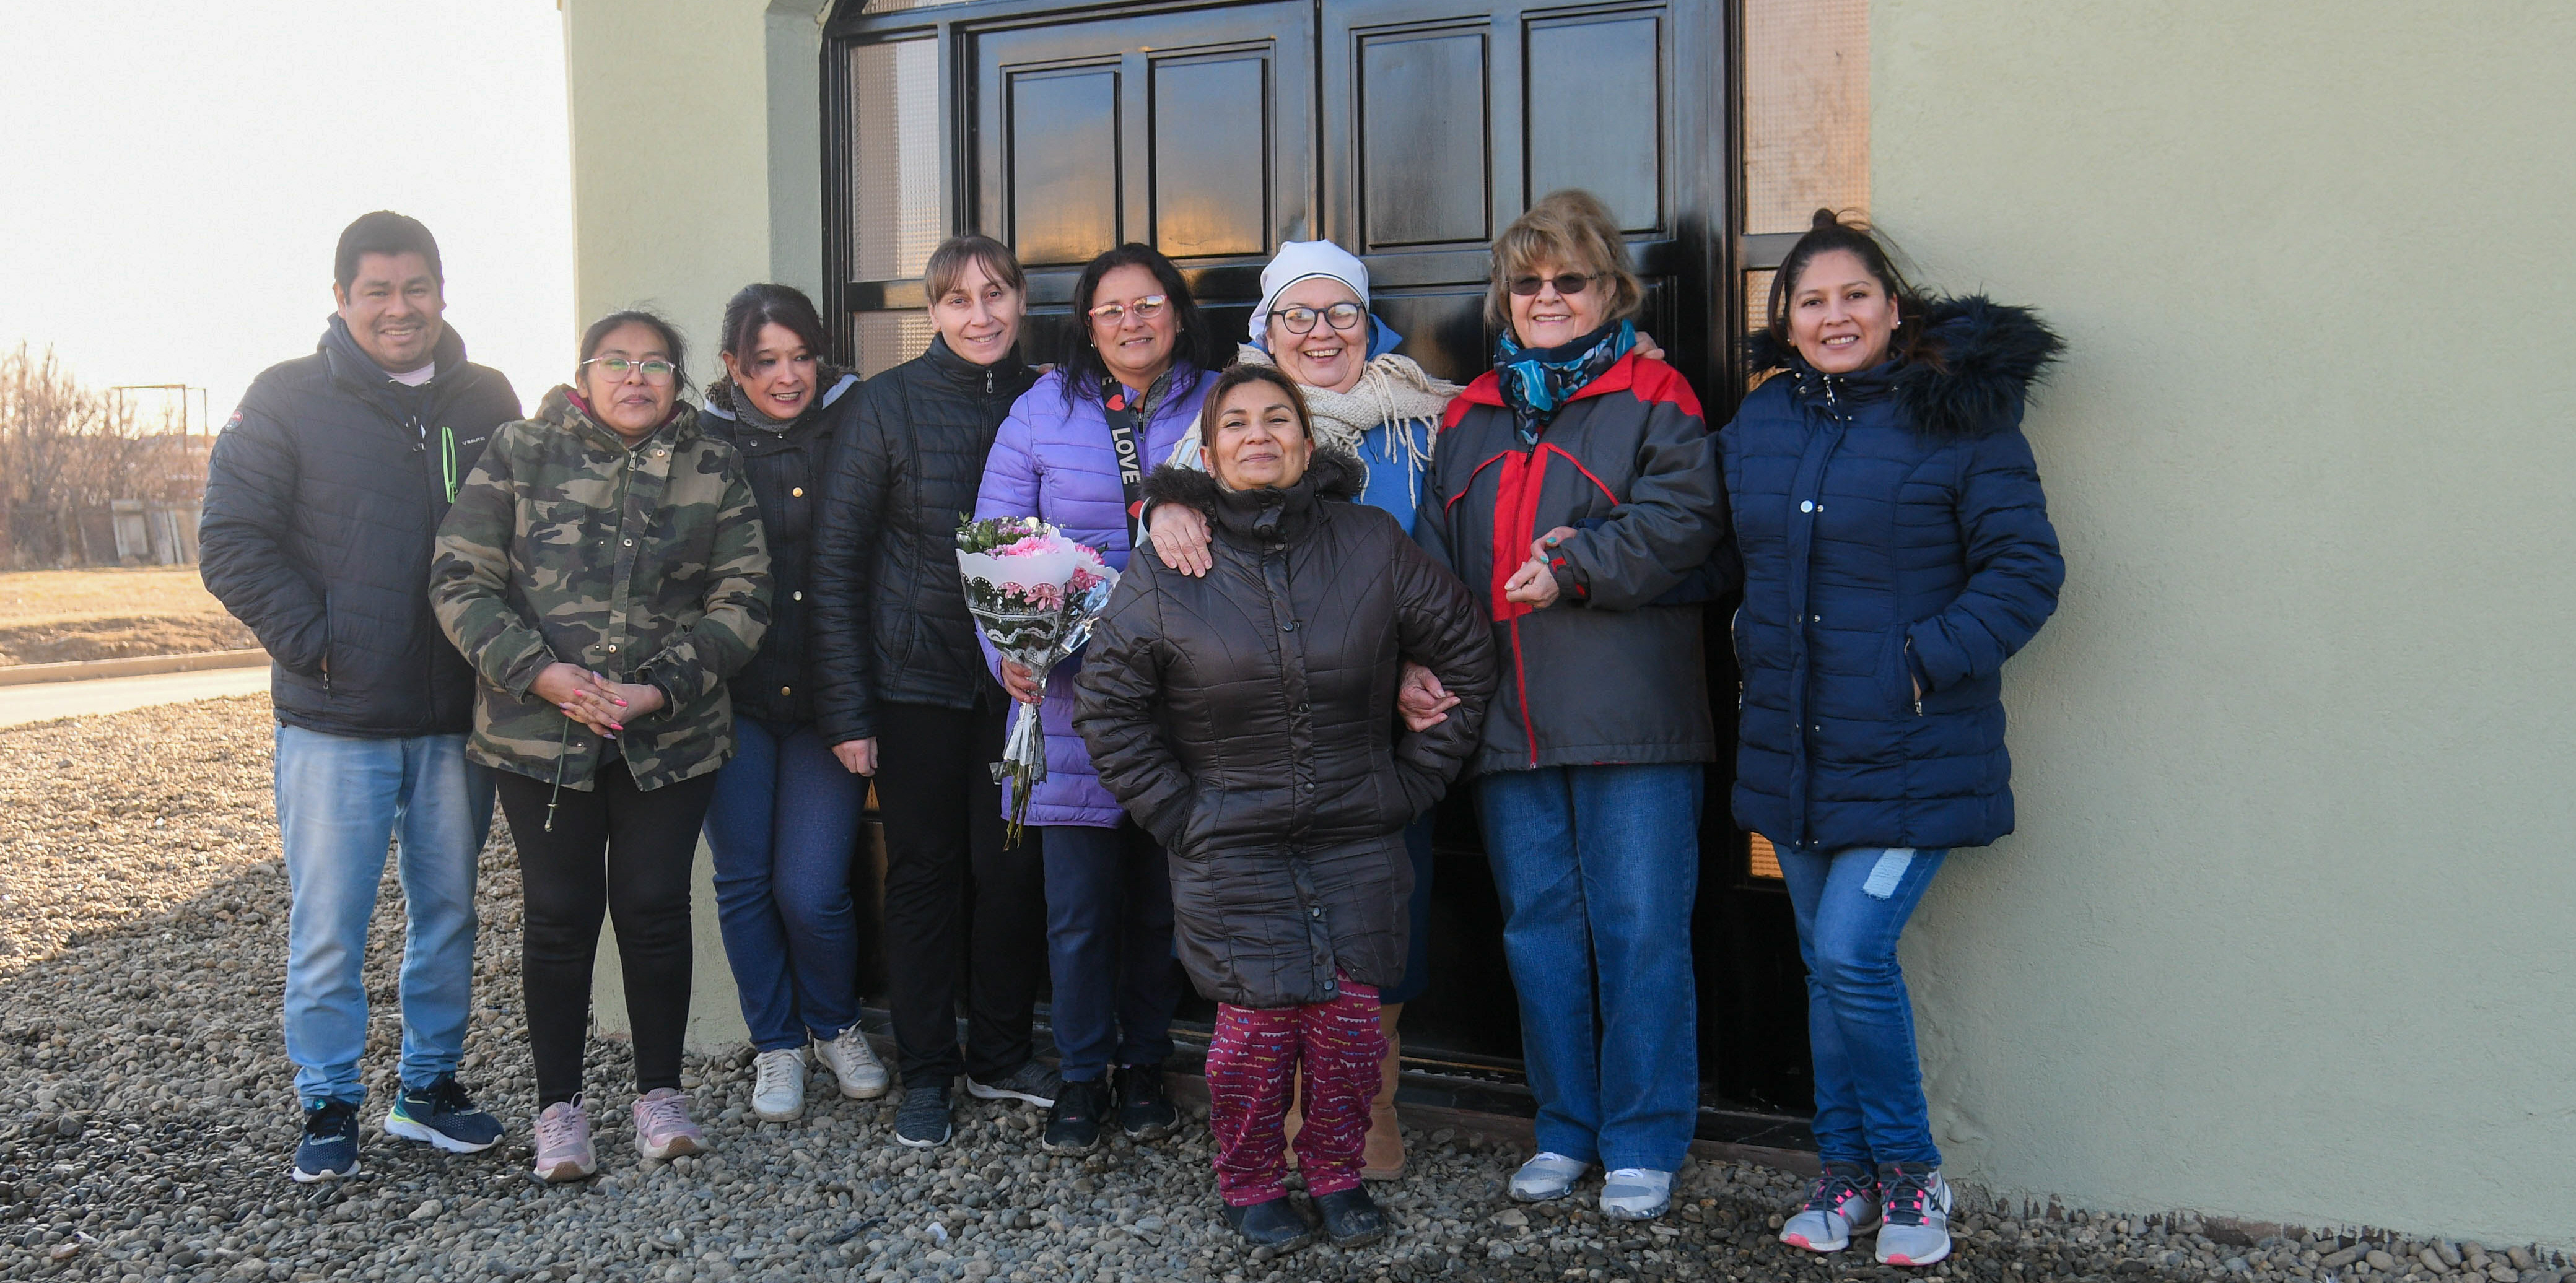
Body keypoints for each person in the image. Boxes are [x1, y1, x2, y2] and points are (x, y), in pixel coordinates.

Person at [1076, 365, 1496, 1251]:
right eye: (1237, 423)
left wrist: (1415, 782)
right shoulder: (1167, 569)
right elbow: (1109, 707)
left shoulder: (1372, 542)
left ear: (1309, 444)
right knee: (1254, 1040)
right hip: (1229, 844)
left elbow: (1463, 652)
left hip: (1358, 835)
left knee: (1348, 1033)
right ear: (1212, 449)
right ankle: (1253, 1180)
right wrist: (1181, 816)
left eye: (1279, 420)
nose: (1259, 435)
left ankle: (1338, 1173)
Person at [1730, 210, 2063, 1268]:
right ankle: (1845, 1178)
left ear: (1892, 308)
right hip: (1798, 747)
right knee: (1826, 969)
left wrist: (1914, 661)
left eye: (1854, 297)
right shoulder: (1764, 422)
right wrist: (1586, 555)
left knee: (1849, 955)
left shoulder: (1958, 419)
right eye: (1812, 301)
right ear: (1785, 322)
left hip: (1916, 750)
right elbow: (1700, 536)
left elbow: (2027, 571)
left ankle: (1914, 1180)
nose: (1835, 316)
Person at [1415, 189, 1729, 1220]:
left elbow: (1686, 523)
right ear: (1505, 298)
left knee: (1641, 929)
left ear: (1611, 290)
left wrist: (1580, 566)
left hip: (1633, 720)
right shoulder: (1467, 413)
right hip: (1505, 722)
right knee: (1539, 928)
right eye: (1527, 281)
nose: (1547, 297)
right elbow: (1430, 562)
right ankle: (1566, 1128)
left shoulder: (1657, 391)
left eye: (1569, 280)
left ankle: (1643, 1138)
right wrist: (1415, 660)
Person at [199, 211, 520, 1182]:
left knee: (449, 914)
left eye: (414, 287)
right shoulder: (288, 399)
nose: (397, 308)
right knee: (330, 922)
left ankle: (427, 1089)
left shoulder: (487, 398)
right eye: (375, 291)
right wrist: (320, 646)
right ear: (341, 299)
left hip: (455, 720)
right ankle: (328, 1101)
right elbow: (231, 541)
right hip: (334, 721)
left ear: (441, 292)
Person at [430, 310, 771, 1181]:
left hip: (671, 736)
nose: (636, 377)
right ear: (583, 376)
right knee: (556, 918)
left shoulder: (712, 466)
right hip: (540, 736)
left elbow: (744, 599)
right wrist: (539, 674)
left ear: (678, 380)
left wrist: (660, 685)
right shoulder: (521, 451)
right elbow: (461, 578)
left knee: (655, 910)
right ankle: (560, 1111)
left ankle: (660, 1097)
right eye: (616, 361)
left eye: (656, 363)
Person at [972, 241, 1223, 1154]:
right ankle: (1082, 1077)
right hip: (1070, 703)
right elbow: (1000, 539)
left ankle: (1146, 1065)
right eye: (1111, 308)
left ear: (1176, 311)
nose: (1131, 322)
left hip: (1188, 699)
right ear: (1086, 322)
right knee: (1075, 913)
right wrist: (1007, 650)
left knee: (1162, 906)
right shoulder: (1041, 410)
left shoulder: (1220, 400)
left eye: (1148, 303)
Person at [810, 235, 1057, 1149]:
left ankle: (998, 1054)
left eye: (996, 294)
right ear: (933, 313)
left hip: (1026, 689)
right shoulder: (886, 406)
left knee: (1013, 871)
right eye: (959, 300)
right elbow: (834, 564)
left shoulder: (1055, 397)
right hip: (915, 687)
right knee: (923, 878)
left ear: (1022, 301)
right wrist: (847, 709)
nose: (981, 315)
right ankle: (927, 1072)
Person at [696, 284, 890, 1124]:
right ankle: (776, 1045)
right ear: (731, 365)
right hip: (728, 701)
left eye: (801, 356)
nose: (787, 376)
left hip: (828, 700)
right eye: (766, 360)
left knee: (811, 888)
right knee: (743, 882)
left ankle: (835, 1025)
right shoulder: (695, 441)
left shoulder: (859, 420)